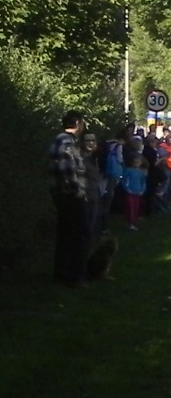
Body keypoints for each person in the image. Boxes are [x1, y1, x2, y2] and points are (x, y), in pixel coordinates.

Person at [50, 111, 91, 287]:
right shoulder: (67, 143)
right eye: (82, 123)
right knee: (80, 235)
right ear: (77, 123)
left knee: (65, 235)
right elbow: (67, 170)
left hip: (60, 194)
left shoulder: (58, 140)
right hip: (70, 196)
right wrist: (77, 191)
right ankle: (75, 275)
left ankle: (62, 272)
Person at [122, 155, 148, 231]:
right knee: (130, 207)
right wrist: (127, 189)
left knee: (136, 207)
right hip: (130, 192)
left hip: (138, 192)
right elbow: (123, 181)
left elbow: (143, 182)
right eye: (135, 162)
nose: (136, 164)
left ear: (140, 163)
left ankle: (134, 222)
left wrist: (142, 190)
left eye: (138, 162)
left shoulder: (141, 172)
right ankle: (130, 223)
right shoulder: (128, 170)